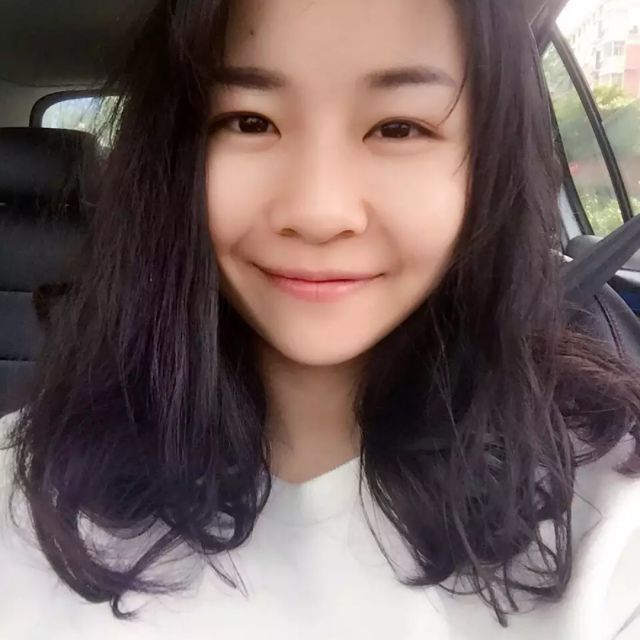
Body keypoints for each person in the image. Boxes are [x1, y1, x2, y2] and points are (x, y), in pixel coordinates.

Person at [2, 0, 640, 637]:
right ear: (171, 162)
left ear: (491, 166)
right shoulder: (21, 492)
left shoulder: (608, 523)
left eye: (398, 128)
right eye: (249, 121)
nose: (316, 212)